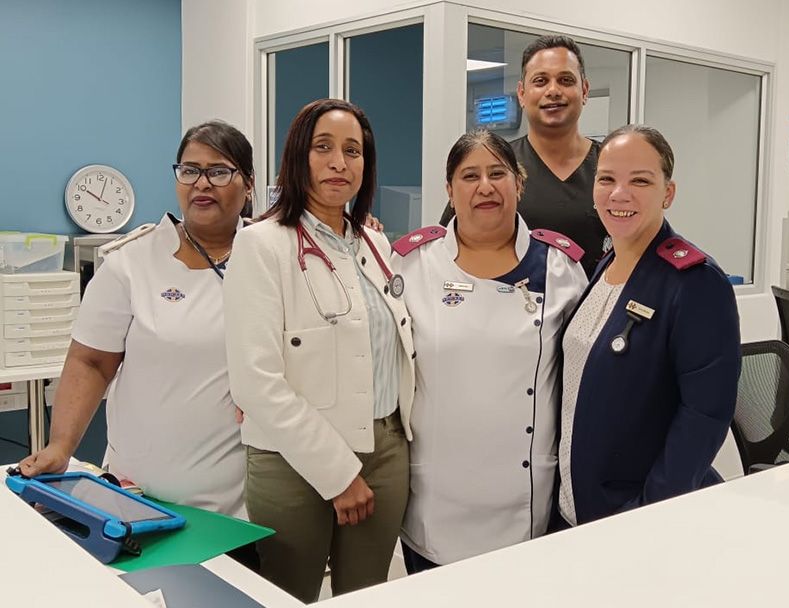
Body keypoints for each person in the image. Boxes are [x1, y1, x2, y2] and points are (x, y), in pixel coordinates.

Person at [224, 98, 414, 602]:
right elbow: (254, 381)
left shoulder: (376, 246)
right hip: (293, 461)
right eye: (323, 147)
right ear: (296, 157)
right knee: (289, 596)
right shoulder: (262, 245)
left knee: (368, 594)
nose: (339, 162)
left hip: (385, 449)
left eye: (353, 151)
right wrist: (338, 472)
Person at [17, 121, 254, 521]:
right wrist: (61, 446)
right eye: (189, 170)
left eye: (218, 171)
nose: (201, 183)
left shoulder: (273, 256)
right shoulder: (132, 262)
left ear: (248, 184)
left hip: (246, 500)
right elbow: (90, 362)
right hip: (141, 494)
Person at [392, 130, 587, 572]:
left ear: (519, 184)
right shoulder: (411, 264)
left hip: (523, 496)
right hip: (436, 497)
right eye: (469, 175)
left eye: (498, 173)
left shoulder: (560, 267)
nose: (485, 186)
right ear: (449, 189)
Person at [556, 125, 740, 527]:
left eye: (640, 180)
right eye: (607, 179)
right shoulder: (604, 267)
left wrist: (648, 513)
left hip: (637, 515)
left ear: (667, 193)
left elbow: (705, 416)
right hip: (577, 507)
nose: (619, 194)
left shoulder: (694, 282)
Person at [441, 35, 608, 275]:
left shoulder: (610, 167)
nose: (553, 90)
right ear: (521, 93)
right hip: (506, 304)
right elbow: (445, 248)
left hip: (594, 308)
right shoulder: (496, 166)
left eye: (565, 80)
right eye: (540, 81)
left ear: (584, 90)